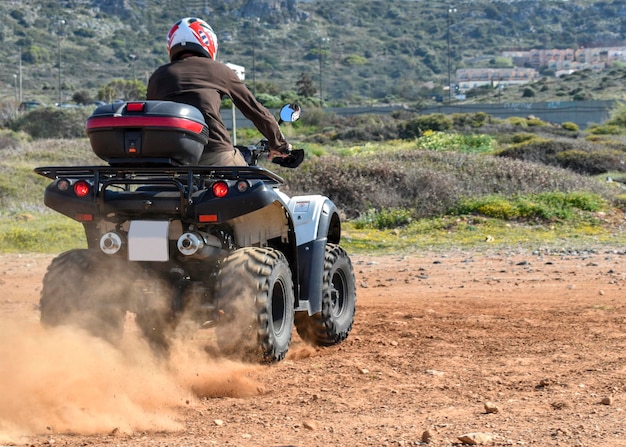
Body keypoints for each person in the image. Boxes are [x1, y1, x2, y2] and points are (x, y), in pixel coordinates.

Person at [147, 17, 291, 166]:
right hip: (214, 153)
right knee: (251, 182)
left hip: (170, 158)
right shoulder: (219, 70)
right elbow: (254, 110)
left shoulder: (158, 76)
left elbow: (151, 117)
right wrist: (279, 144)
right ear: (208, 41)